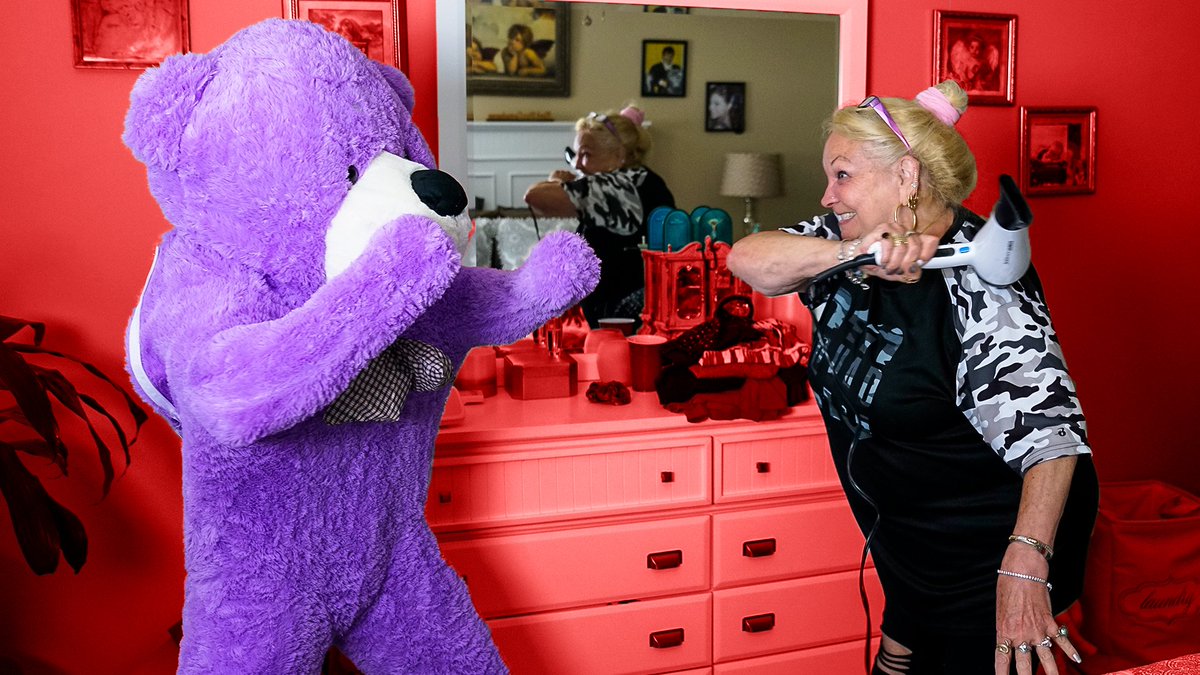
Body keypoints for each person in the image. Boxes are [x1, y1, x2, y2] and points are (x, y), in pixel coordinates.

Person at [727, 80, 1099, 675]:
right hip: (909, 542)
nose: (827, 196)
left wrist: (1025, 567)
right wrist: (855, 255)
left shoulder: (980, 284)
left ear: (905, 176)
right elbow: (747, 260)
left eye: (842, 175)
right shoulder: (843, 240)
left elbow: (1052, 441)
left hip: (989, 550)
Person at [525, 105, 675, 327]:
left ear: (619, 156)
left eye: (586, 154)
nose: (577, 164)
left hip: (627, 321)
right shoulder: (641, 180)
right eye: (575, 154)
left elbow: (535, 196)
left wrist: (557, 182)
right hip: (624, 316)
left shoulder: (622, 188)